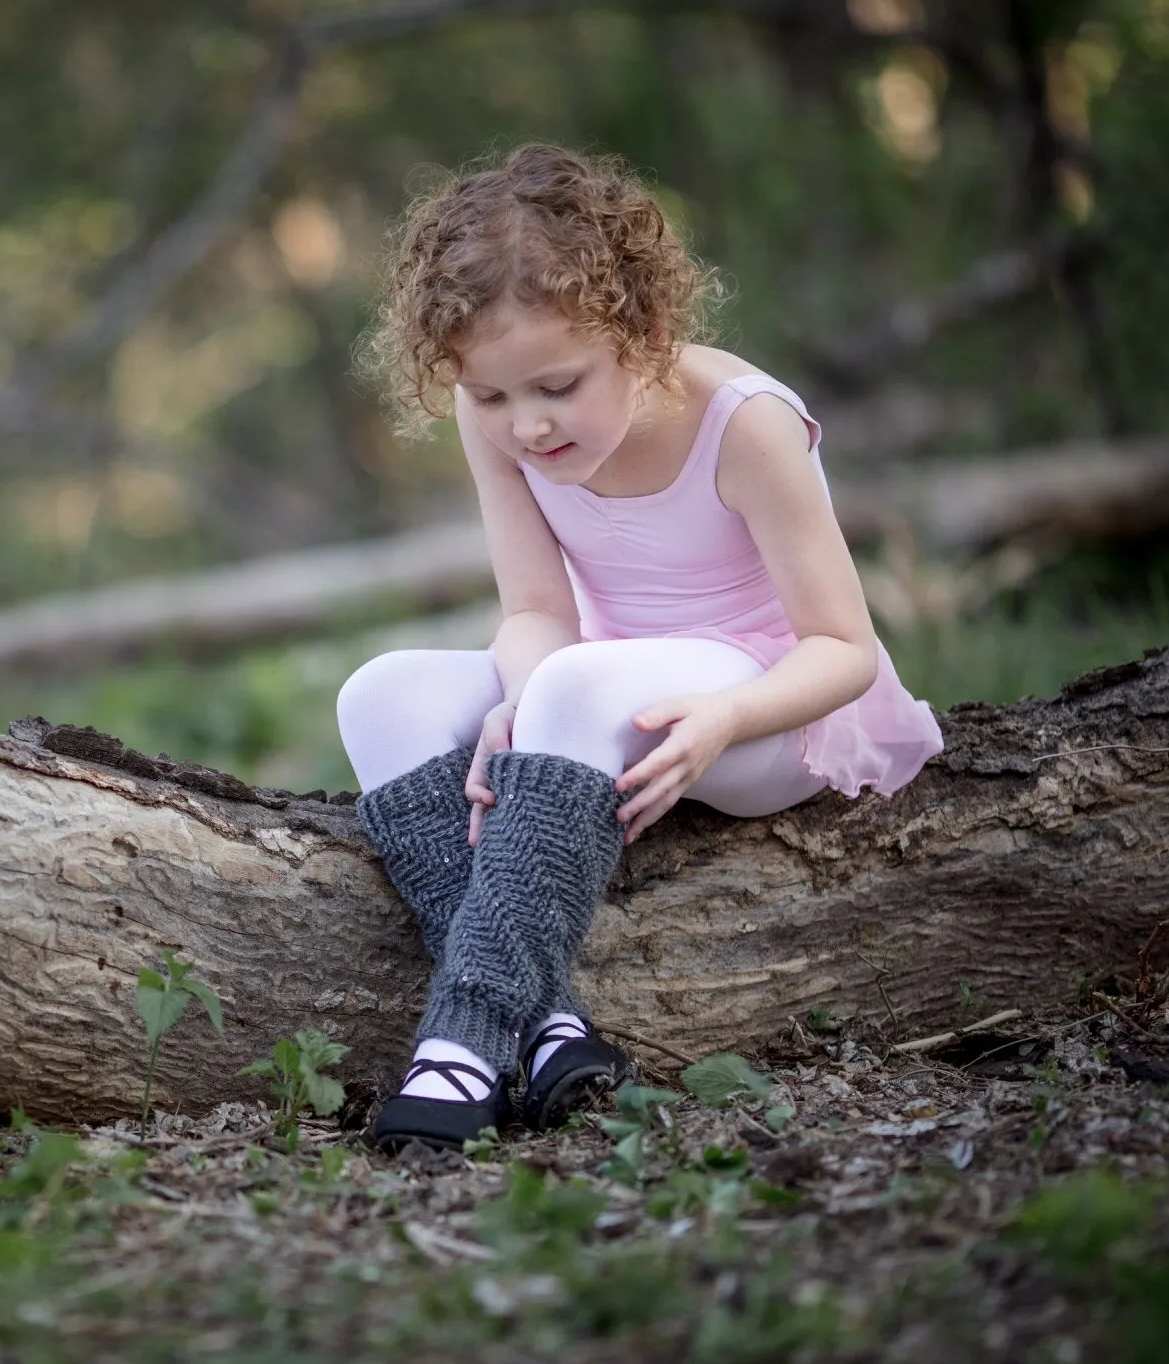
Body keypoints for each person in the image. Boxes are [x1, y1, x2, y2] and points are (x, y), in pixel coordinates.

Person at [337, 144, 944, 1153]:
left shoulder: (743, 426)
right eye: (490, 397)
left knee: (575, 683)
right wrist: (524, 703)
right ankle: (547, 1030)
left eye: (557, 385)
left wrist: (727, 717)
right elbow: (535, 608)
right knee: (379, 692)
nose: (524, 424)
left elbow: (842, 645)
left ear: (646, 334)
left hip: (764, 710)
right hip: (603, 687)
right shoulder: (494, 412)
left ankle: (464, 1035)